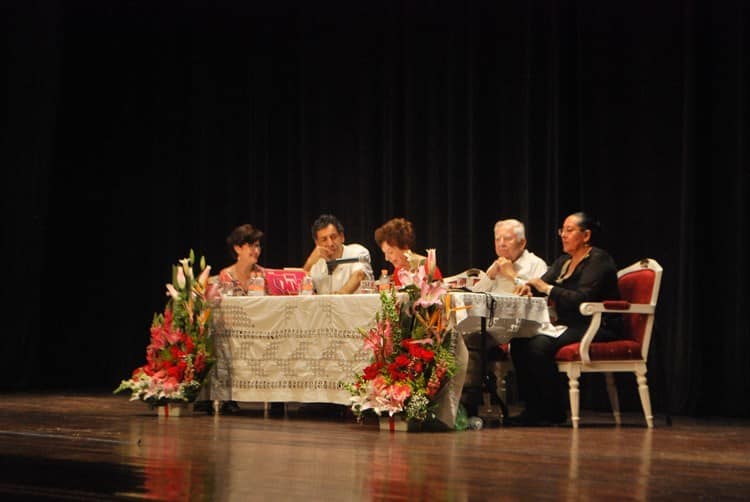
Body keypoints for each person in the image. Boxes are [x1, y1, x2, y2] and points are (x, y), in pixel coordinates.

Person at [507, 212, 622, 426]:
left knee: (539, 346)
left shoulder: (598, 259)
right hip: (568, 325)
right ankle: (533, 408)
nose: (563, 235)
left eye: (569, 230)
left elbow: (582, 298)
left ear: (586, 235)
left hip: (596, 325)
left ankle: (553, 410)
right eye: (562, 230)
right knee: (520, 342)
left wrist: (547, 288)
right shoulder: (564, 261)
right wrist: (529, 288)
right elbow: (542, 284)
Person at [471, 218, 548, 294]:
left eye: (507, 238)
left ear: (522, 243)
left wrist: (512, 276)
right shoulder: (496, 265)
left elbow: (541, 298)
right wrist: (489, 277)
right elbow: (475, 296)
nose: (501, 244)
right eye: (497, 239)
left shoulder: (537, 264)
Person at [303, 214, 373, 294]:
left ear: (342, 237)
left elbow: (359, 275)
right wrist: (309, 263)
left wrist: (338, 296)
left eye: (333, 237)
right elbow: (298, 288)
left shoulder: (358, 252)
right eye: (324, 239)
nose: (330, 243)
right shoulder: (316, 263)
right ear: (317, 243)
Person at [374, 217, 443, 286]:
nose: (387, 258)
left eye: (390, 252)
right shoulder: (398, 272)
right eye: (385, 253)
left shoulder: (428, 266)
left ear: (404, 246)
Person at [217, 223, 266, 295]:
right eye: (251, 246)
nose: (257, 251)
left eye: (257, 246)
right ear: (237, 249)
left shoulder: (263, 274)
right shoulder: (226, 275)